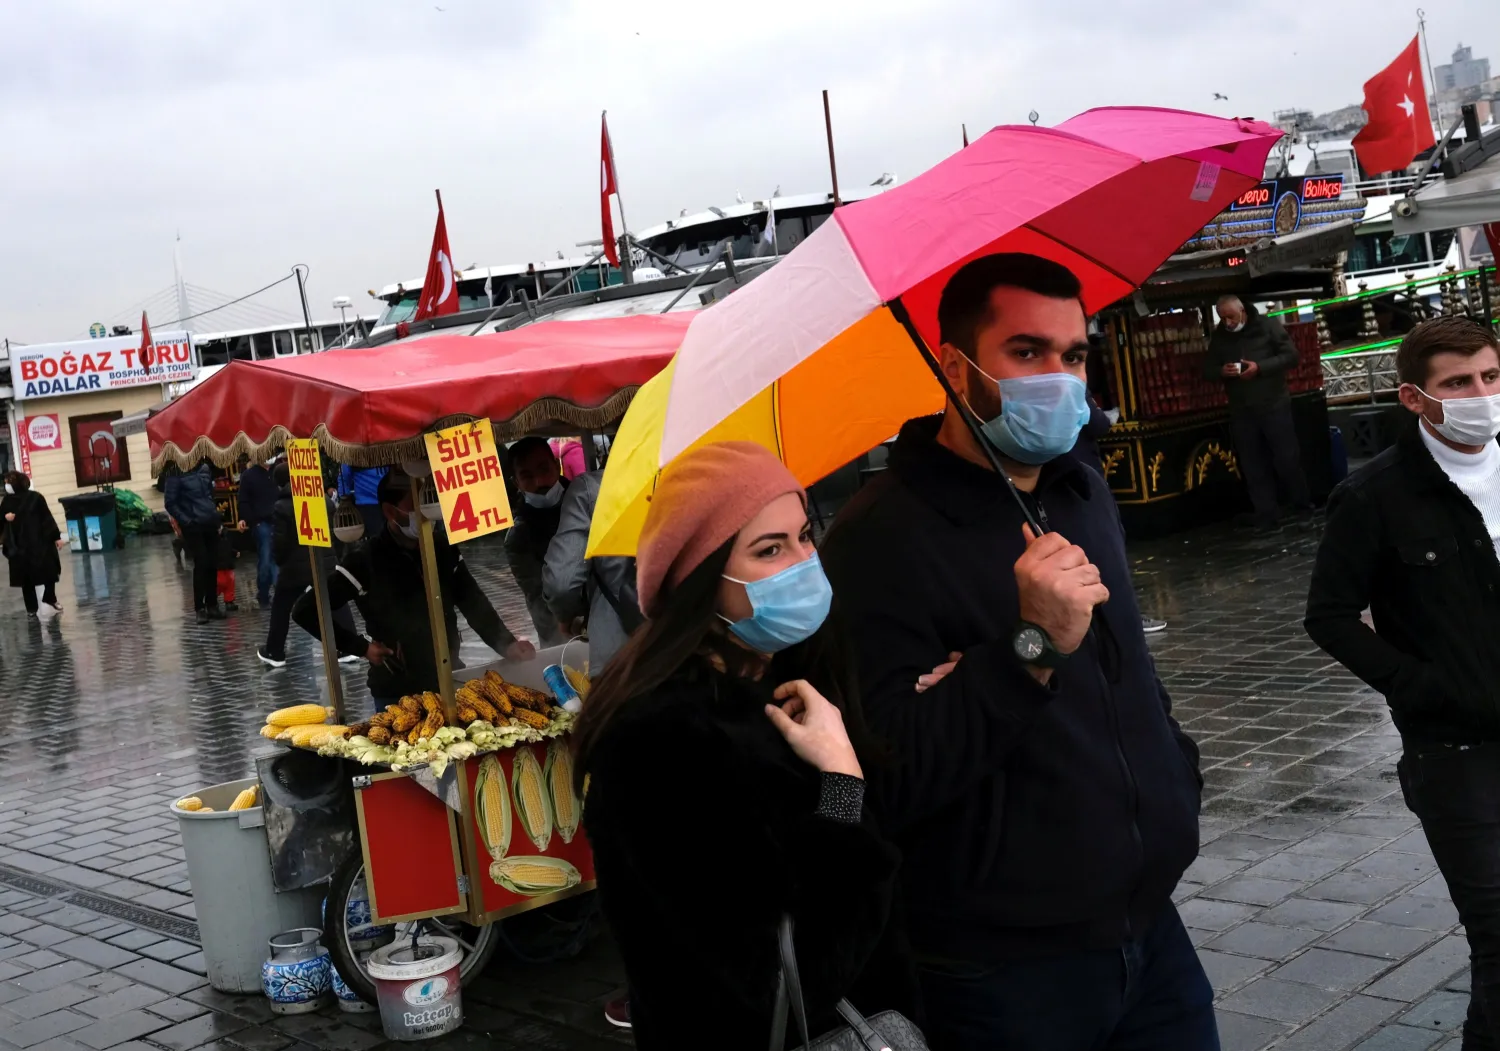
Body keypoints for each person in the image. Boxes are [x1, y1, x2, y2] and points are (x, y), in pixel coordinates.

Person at [819, 253, 1210, 1051]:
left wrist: (1177, 774)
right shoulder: (879, 536)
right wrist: (1027, 646)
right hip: (1002, 971)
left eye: (1074, 354)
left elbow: (1128, 670)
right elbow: (886, 773)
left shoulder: (1081, 488)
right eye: (1027, 353)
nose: (1059, 379)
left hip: (1151, 928)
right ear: (956, 367)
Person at [575, 441, 917, 1050]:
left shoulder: (784, 682)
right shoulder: (660, 743)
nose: (804, 561)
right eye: (769, 549)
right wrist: (842, 782)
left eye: (805, 535)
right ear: (703, 580)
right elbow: (787, 978)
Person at [1305, 317, 1500, 1050]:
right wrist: (1418, 685)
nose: (1481, 395)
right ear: (1416, 398)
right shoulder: (1375, 495)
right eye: (1458, 382)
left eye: (1489, 376)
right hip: (1453, 749)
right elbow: (1327, 616)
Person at [293, 471, 535, 704]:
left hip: (449, 678)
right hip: (397, 692)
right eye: (416, 504)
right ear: (390, 511)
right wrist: (362, 647)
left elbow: (472, 601)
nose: (426, 512)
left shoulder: (441, 548)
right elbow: (306, 610)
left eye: (429, 501)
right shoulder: (366, 559)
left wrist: (507, 644)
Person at [1204, 294, 1313, 531]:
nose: (1228, 322)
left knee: (1286, 458)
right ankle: (1266, 514)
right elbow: (1208, 369)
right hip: (1242, 408)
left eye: (1231, 317)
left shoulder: (1267, 326)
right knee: (1253, 464)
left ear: (1242, 311)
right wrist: (1223, 370)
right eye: (1223, 318)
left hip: (1273, 402)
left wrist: (1260, 368)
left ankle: (1302, 505)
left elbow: (1291, 356)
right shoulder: (1221, 337)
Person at [1073, 396, 1167, 635]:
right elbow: (1098, 424)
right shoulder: (1069, 384)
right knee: (1105, 548)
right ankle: (1121, 618)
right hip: (1082, 473)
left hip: (1070, 474)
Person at [258, 462, 358, 668]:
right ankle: (349, 647)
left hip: (295, 569)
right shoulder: (323, 500)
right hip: (325, 561)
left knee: (281, 606)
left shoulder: (282, 506)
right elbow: (335, 535)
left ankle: (275, 651)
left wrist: (281, 561)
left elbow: (280, 542)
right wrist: (334, 557)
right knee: (336, 601)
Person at [542, 469, 640, 671]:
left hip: (618, 656)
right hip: (693, 645)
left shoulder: (590, 488)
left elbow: (562, 583)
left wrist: (566, 616)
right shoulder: (697, 472)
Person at [505, 436, 571, 647]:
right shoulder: (518, 537)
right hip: (564, 634)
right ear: (516, 483)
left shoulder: (588, 502)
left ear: (557, 466)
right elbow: (537, 596)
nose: (539, 482)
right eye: (527, 476)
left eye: (544, 470)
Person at [164, 460, 225, 623]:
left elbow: (209, 495)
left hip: (209, 522)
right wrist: (186, 521)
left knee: (212, 563)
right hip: (193, 525)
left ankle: (212, 604)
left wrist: (216, 519)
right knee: (201, 562)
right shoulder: (175, 472)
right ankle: (200, 607)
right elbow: (170, 502)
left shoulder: (204, 468)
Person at [0, 472, 65, 619]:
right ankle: (31, 608)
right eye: (5, 482)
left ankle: (50, 598)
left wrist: (56, 537)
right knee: (25, 579)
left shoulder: (35, 498)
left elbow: (47, 517)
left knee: (50, 570)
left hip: (40, 542)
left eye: (9, 482)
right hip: (19, 545)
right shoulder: (7, 501)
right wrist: (5, 517)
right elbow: (0, 517)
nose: (7, 485)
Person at [236, 453, 280, 608]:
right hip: (261, 523)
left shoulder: (277, 471)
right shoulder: (249, 475)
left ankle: (270, 593)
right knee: (267, 558)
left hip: (279, 521)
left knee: (275, 558)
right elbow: (243, 500)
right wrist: (246, 519)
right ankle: (267, 593)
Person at [338, 464, 390, 540]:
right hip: (368, 505)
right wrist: (344, 497)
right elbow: (344, 477)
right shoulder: (352, 455)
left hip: (388, 500)